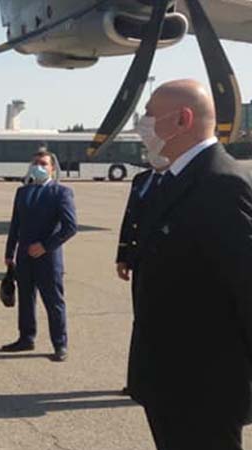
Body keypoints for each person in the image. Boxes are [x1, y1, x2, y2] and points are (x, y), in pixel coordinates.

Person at [129, 79, 252, 450]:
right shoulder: (172, 178)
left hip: (205, 387)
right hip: (168, 378)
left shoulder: (222, 184)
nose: (143, 124)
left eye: (149, 115)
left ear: (182, 120)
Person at [2, 150, 77, 362]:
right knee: (26, 299)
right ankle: (26, 337)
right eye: (35, 163)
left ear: (52, 168)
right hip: (24, 256)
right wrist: (9, 252)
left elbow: (70, 227)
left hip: (48, 258)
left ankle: (60, 344)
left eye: (43, 163)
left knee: (53, 302)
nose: (39, 167)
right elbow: (15, 224)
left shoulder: (61, 192)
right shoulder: (23, 192)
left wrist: (46, 246)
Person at [115, 155, 169, 396]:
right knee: (140, 320)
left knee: (161, 322)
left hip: (164, 261)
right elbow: (130, 218)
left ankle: (160, 380)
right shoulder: (141, 179)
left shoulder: (176, 179)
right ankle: (137, 380)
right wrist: (123, 255)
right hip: (140, 261)